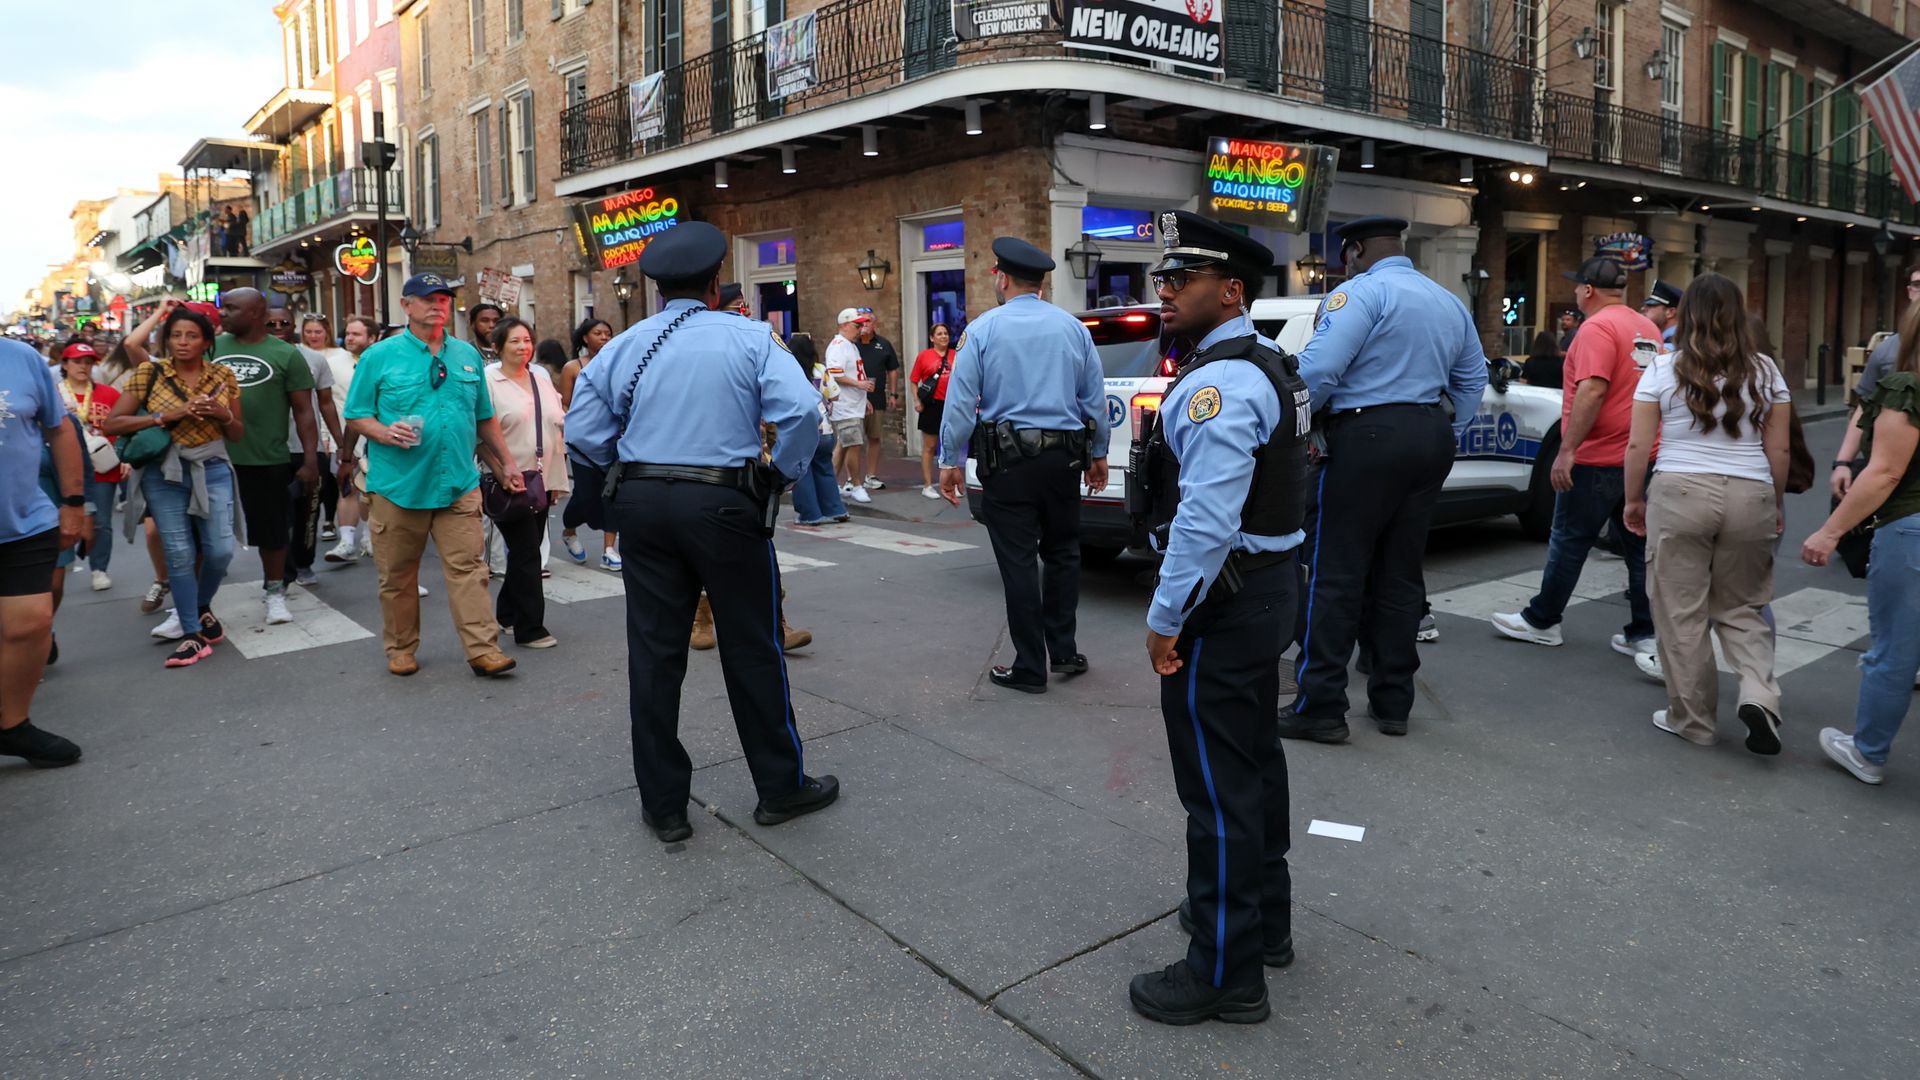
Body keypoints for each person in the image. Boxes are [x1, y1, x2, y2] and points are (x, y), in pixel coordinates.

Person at [565, 220, 839, 844]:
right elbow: (800, 413)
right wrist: (781, 474)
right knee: (752, 645)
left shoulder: (625, 344)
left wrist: (628, 467)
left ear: (657, 287)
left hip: (641, 500)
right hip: (721, 501)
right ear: (716, 282)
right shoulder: (749, 336)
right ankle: (779, 787)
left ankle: (664, 805)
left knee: (655, 654)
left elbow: (582, 432)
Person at [1128, 211, 1307, 1026]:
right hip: (1268, 586)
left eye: (1181, 280)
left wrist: (1166, 619)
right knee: (1254, 764)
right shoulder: (1266, 364)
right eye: (1162, 279)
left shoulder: (1220, 382)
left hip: (1225, 601)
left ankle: (1225, 969)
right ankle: (1263, 925)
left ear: (1230, 290)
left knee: (1217, 790)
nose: (1163, 293)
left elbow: (1204, 521)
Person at [1279, 216, 1487, 742]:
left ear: (1353, 251)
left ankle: (1321, 704)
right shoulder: (1447, 301)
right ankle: (1393, 701)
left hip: (1365, 436)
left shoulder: (1359, 294)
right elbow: (1473, 379)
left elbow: (1320, 371)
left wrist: (1296, 428)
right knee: (1401, 574)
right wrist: (1441, 426)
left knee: (1335, 575)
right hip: (1427, 434)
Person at [1621, 273, 1789, 752]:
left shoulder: (1661, 369)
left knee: (1680, 611)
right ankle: (1759, 693)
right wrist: (1774, 501)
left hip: (1680, 491)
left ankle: (1692, 720)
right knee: (1741, 606)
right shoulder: (1766, 372)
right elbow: (1778, 451)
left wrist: (1634, 499)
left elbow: (1638, 445)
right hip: (1750, 490)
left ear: (1685, 315)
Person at [936, 236, 1110, 693]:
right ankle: (1065, 650)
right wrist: (1098, 454)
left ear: (1002, 277)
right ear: (1042, 282)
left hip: (1008, 461)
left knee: (1017, 563)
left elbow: (959, 403)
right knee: (1064, 554)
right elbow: (1094, 398)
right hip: (1062, 460)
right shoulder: (1073, 329)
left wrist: (950, 459)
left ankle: (1031, 665)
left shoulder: (984, 329)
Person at [342, 272, 523, 678]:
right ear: (406, 305)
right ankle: (401, 648)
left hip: (459, 482)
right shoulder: (379, 356)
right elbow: (356, 414)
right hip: (399, 487)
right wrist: (384, 432)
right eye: (427, 298)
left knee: (470, 570)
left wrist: (507, 462)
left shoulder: (466, 354)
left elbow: (483, 417)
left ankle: (483, 650)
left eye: (443, 298)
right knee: (398, 576)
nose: (437, 304)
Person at [1489, 257, 1658, 657]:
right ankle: (1643, 631)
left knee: (1569, 540)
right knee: (1638, 547)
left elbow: (1593, 390)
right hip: (1641, 455)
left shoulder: (1596, 328)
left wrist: (1567, 451)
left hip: (1597, 456)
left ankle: (1542, 620)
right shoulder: (1646, 327)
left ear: (1587, 290)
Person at [126, 289, 318, 625]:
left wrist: (311, 459)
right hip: (207, 459)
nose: (223, 314)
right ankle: (192, 607)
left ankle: (274, 594)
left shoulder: (286, 354)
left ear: (257, 313)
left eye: (231, 308)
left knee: (272, 533)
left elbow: (304, 410)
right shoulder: (211, 346)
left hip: (266, 456)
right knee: (199, 541)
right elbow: (157, 360)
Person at [1802, 296, 1920, 785]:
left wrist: (1830, 531)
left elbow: (1887, 471)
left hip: (1910, 528)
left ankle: (1867, 752)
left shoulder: (1906, 387)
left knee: (1895, 651)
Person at [101, 304, 245, 665]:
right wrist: (165, 416)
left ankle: (197, 606)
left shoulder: (223, 376)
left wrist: (222, 413)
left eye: (192, 336)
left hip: (211, 467)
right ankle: (193, 633)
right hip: (163, 474)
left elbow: (238, 433)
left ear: (206, 341)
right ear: (167, 340)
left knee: (220, 551)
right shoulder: (149, 373)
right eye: (176, 335)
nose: (183, 343)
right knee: (179, 554)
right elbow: (114, 423)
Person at [0, 337, 87, 766]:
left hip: (22, 520)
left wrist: (73, 502)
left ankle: (11, 726)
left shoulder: (21, 358)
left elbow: (60, 428)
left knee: (31, 623)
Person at [483, 317, 567, 649]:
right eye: (515, 341)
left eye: (527, 340)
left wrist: (555, 479)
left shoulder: (540, 379)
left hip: (541, 477)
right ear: (498, 347)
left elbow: (555, 421)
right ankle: (530, 628)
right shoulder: (489, 381)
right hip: (509, 477)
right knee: (527, 550)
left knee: (525, 550)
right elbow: (479, 432)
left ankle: (506, 614)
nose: (523, 347)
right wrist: (501, 468)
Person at [1830, 266, 1918, 502]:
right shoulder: (1887, 350)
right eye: (1918, 285)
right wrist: (1843, 462)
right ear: (1910, 291)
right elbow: (1865, 407)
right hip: (1890, 472)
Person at [56, 342, 124, 590]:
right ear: (65, 364)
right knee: (65, 515)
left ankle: (99, 569)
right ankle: (64, 559)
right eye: (77, 361)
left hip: (103, 465)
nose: (83, 367)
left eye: (88, 362)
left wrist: (123, 457)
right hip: (65, 467)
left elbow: (124, 427)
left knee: (101, 521)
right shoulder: (55, 394)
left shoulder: (109, 394)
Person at [286, 312, 345, 588]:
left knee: (308, 509)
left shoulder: (315, 360)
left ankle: (303, 562)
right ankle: (279, 569)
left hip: (307, 446)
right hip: (267, 450)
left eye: (283, 323)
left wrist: (341, 443)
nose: (277, 328)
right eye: (270, 323)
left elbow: (326, 403)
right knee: (277, 512)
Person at [559, 317, 619, 571]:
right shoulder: (573, 367)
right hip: (583, 441)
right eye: (598, 333)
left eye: (607, 333)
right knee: (586, 497)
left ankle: (609, 549)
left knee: (612, 493)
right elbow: (565, 403)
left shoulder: (618, 365)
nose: (604, 337)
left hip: (612, 439)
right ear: (585, 337)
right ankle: (569, 530)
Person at [325, 315, 378, 563]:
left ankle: (370, 537)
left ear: (373, 338)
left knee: (371, 491)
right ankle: (346, 542)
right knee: (346, 486)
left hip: (376, 436)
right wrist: (329, 438)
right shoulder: (333, 363)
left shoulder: (382, 361)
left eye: (356, 334)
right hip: (344, 437)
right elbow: (323, 403)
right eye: (347, 333)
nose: (349, 338)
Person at [787, 333, 851, 527]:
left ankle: (810, 514)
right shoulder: (821, 370)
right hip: (824, 428)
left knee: (802, 473)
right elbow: (835, 395)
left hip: (800, 428)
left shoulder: (789, 371)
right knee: (825, 470)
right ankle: (835, 509)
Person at [824, 310, 874, 504]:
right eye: (857, 325)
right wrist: (859, 386)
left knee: (844, 446)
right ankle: (856, 484)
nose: (860, 330)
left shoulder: (849, 345)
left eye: (861, 325)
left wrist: (864, 397)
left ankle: (831, 484)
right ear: (844, 325)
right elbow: (835, 374)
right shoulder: (839, 346)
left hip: (853, 404)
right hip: (845, 406)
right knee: (853, 444)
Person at [909, 323, 956, 499]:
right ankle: (928, 485)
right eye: (939, 334)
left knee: (951, 444)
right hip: (931, 405)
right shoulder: (924, 356)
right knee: (930, 446)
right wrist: (916, 400)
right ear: (932, 338)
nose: (943, 336)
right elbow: (914, 380)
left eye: (946, 333)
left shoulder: (955, 355)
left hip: (951, 404)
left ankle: (951, 483)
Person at [856, 309, 900, 490]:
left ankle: (871, 475)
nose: (864, 325)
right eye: (861, 322)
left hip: (877, 397)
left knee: (874, 437)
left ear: (875, 324)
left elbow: (892, 370)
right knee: (854, 440)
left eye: (868, 322)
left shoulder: (884, 344)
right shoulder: (851, 344)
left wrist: (893, 394)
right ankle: (853, 478)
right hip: (854, 399)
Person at [1640, 279, 1682, 350]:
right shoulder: (1676, 338)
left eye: (1651, 305)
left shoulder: (1671, 343)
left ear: (1670, 312)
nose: (1643, 309)